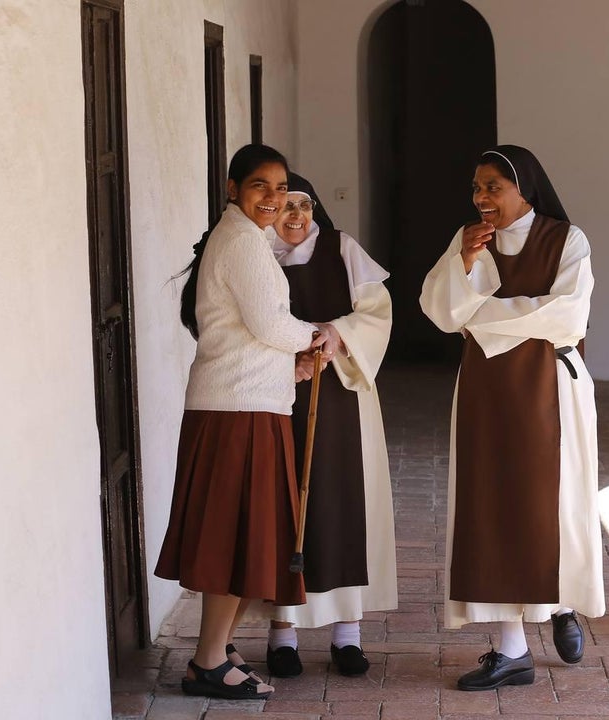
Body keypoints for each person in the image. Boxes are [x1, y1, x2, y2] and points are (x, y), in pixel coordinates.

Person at [154, 144, 339, 700]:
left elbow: (252, 332)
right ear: (233, 189)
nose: (274, 198)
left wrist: (295, 364)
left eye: (281, 188)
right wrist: (315, 335)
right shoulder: (239, 240)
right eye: (260, 186)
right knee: (234, 538)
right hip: (237, 412)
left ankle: (218, 650)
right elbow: (268, 322)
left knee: (241, 537)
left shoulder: (245, 239)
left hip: (246, 402)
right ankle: (208, 662)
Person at [420, 145, 604, 690]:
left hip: (550, 388)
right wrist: (466, 265)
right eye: (476, 188)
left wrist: (481, 318)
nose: (481, 198)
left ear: (524, 188)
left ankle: (561, 603)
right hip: (486, 390)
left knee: (550, 505)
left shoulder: (567, 239)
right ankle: (510, 648)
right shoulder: (468, 242)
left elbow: (567, 315)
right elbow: (439, 311)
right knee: (491, 506)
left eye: (492, 187)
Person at [258, 173, 397, 678]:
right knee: (285, 507)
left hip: (341, 393)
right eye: (284, 206)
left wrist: (337, 334)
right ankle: (283, 635)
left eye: (303, 205)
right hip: (275, 394)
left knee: (341, 504)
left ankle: (347, 636)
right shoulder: (258, 255)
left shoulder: (341, 248)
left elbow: (377, 312)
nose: (295, 216)